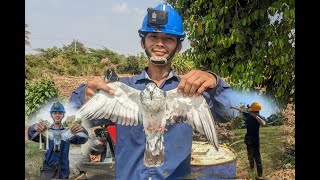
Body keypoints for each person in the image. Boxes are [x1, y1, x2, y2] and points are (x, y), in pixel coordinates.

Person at [69, 3, 234, 179]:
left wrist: (215, 82)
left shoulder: (191, 90)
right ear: (143, 42)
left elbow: (228, 112)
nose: (160, 43)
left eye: (169, 38)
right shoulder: (118, 89)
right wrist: (86, 95)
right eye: (153, 36)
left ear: (178, 46)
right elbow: (75, 113)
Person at [28, 102, 89, 179]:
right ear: (51, 115)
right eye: (55, 113)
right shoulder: (46, 131)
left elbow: (83, 140)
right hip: (48, 171)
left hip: (63, 171)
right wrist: (34, 128)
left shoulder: (68, 132)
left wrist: (82, 130)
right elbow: (31, 136)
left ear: (63, 115)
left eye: (60, 113)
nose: (57, 115)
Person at [230, 102, 266, 180]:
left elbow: (263, 124)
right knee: (250, 155)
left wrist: (256, 117)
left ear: (255, 111)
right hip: (248, 139)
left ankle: (260, 175)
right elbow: (241, 110)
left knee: (257, 157)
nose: (249, 111)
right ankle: (251, 170)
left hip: (255, 140)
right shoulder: (248, 115)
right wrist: (233, 107)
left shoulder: (259, 117)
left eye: (251, 110)